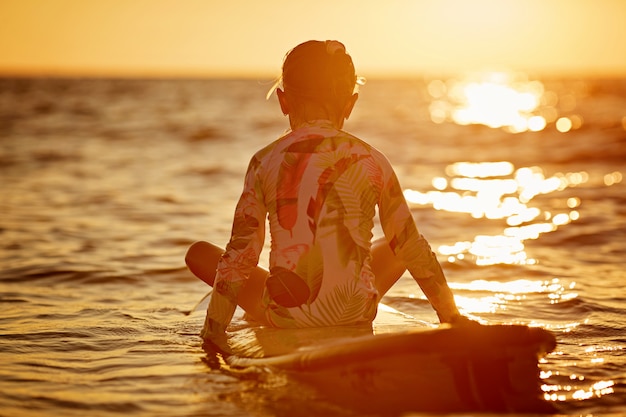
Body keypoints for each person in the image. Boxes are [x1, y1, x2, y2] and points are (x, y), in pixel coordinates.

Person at [186, 40, 472, 350]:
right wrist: (451, 317)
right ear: (351, 103)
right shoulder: (373, 159)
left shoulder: (264, 161)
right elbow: (411, 246)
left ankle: (279, 286)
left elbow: (242, 255)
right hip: (356, 312)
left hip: (286, 313)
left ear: (283, 101)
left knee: (199, 253)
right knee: (396, 244)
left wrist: (214, 333)